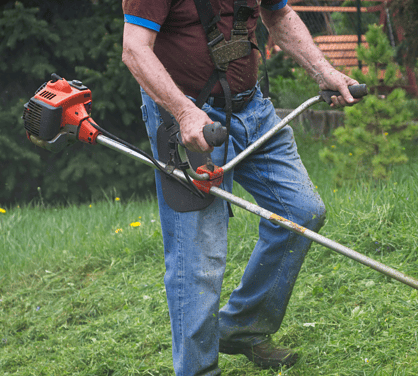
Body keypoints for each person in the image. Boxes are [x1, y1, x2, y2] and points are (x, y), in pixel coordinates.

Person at [121, 0, 360, 374]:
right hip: (190, 116)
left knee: (300, 212)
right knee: (199, 255)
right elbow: (134, 48)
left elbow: (277, 14)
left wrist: (323, 70)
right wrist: (183, 112)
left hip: (254, 110)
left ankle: (242, 328)